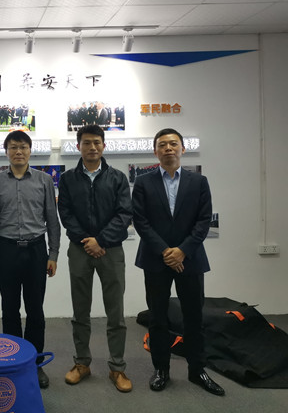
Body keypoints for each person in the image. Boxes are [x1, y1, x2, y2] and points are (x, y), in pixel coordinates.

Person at [132, 128, 224, 396]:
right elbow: (140, 221)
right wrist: (166, 251)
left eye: (173, 144)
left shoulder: (199, 182)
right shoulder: (143, 182)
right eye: (162, 145)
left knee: (194, 317)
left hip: (190, 259)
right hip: (155, 259)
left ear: (183, 149)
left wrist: (182, 251)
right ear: (155, 152)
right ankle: (161, 369)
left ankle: (197, 370)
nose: (168, 148)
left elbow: (204, 220)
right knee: (158, 318)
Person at [57, 125, 133, 392]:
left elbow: (125, 214)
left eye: (97, 142)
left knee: (116, 312)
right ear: (78, 146)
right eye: (87, 142)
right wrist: (87, 241)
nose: (92, 147)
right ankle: (82, 363)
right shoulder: (68, 179)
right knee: (80, 310)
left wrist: (101, 240)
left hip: (111, 250)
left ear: (104, 145)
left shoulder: (118, 178)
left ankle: (117, 367)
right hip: (80, 250)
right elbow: (65, 213)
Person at [0, 130, 60, 389]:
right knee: (9, 309)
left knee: (35, 309)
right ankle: (13, 360)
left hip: (35, 251)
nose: (18, 152)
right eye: (13, 147)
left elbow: (52, 219)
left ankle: (35, 363)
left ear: (30, 151)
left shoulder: (44, 180)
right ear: (6, 151)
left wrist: (53, 254)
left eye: (23, 147)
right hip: (6, 251)